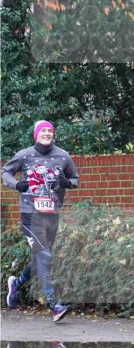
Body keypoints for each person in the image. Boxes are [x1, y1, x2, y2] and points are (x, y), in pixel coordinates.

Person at [3, 120, 79, 322]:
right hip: (30, 214)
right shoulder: (24, 155)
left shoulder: (63, 156)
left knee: (41, 258)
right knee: (43, 256)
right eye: (43, 130)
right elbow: (5, 172)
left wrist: (66, 183)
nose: (47, 133)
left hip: (52, 214)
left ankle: (17, 283)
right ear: (36, 134)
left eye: (50, 131)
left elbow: (75, 179)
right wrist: (17, 184)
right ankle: (54, 306)